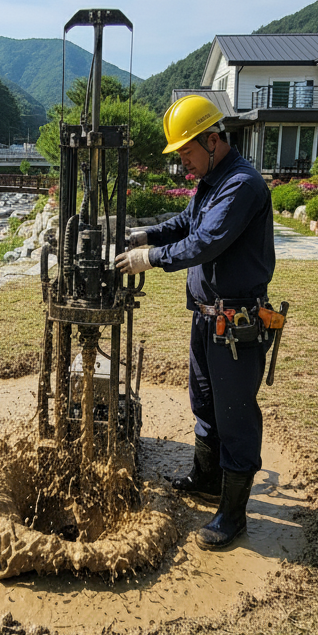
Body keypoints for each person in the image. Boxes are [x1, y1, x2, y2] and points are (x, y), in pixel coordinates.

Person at [114, 95, 275, 550]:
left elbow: (206, 242)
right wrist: (144, 234)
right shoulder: (211, 180)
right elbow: (186, 222)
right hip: (206, 319)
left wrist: (150, 258)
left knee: (235, 415)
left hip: (237, 323)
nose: (184, 163)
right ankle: (206, 479)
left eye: (186, 153)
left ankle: (233, 514)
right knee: (203, 400)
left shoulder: (241, 184)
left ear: (212, 139)